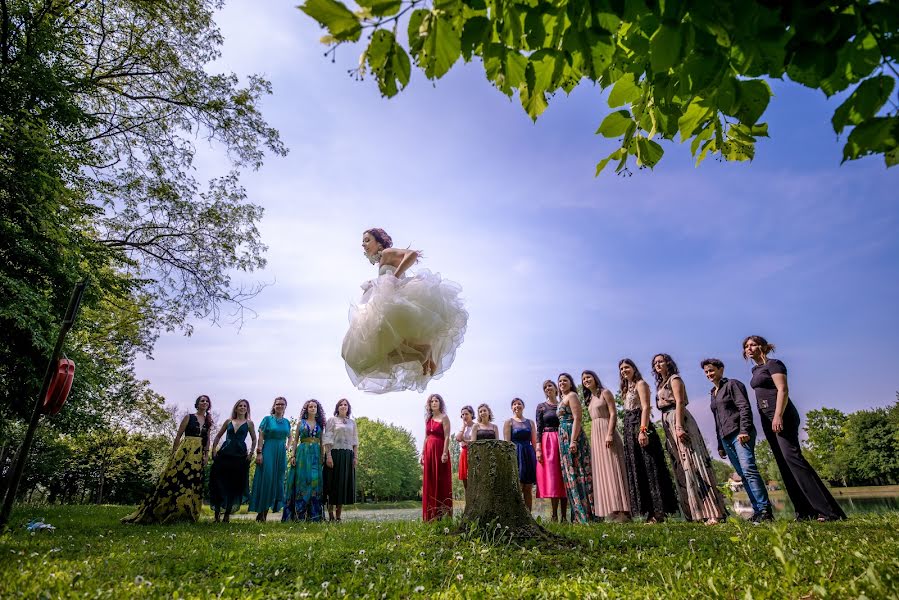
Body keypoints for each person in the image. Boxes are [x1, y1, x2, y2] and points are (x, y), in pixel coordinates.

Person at [341, 228, 469, 393]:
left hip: (392, 302)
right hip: (385, 303)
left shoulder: (387, 252)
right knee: (372, 354)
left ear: (379, 243)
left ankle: (422, 352)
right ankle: (421, 353)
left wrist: (394, 277)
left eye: (367, 240)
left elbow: (412, 254)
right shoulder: (383, 259)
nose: (363, 244)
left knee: (368, 351)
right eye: (363, 242)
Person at [744, 335, 846, 522]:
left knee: (794, 460)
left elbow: (782, 389)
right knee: (783, 464)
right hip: (767, 419)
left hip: (782, 416)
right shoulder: (755, 369)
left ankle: (828, 511)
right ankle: (804, 511)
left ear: (763, 347)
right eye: (746, 346)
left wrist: (778, 415)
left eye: (753, 345)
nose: (749, 348)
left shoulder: (774, 364)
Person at [652, 354, 728, 524]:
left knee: (693, 463)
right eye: (655, 363)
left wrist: (679, 426)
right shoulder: (660, 383)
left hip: (680, 420)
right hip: (667, 423)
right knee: (680, 466)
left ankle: (713, 512)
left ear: (668, 363)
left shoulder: (674, 378)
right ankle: (694, 513)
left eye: (660, 361)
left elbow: (679, 402)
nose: (657, 364)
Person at [702, 358, 773, 523]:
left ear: (721, 369)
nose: (709, 374)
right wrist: (720, 444)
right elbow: (717, 419)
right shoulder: (713, 393)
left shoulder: (733, 384)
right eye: (706, 372)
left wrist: (744, 430)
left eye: (711, 370)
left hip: (739, 434)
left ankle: (765, 511)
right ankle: (757, 511)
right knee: (742, 474)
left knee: (749, 470)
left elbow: (744, 407)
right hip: (725, 438)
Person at [122, 395, 212, 524]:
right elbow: (178, 435)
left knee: (192, 482)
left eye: (207, 401)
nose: (204, 403)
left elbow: (207, 439)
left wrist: (206, 454)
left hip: (198, 455)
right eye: (202, 401)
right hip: (185, 451)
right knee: (179, 479)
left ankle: (186, 513)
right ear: (197, 404)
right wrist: (174, 453)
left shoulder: (209, 420)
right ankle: (168, 510)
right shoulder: (189, 417)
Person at [618, 359, 678, 523]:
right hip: (628, 428)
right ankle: (647, 511)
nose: (624, 370)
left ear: (633, 368)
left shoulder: (641, 384)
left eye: (627, 367)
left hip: (640, 425)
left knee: (649, 468)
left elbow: (645, 407)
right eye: (622, 369)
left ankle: (658, 512)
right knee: (638, 469)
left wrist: (643, 431)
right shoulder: (625, 389)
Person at [582, 370, 631, 522]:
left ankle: (623, 511)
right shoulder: (589, 399)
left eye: (588, 377)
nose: (586, 380)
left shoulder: (605, 392)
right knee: (603, 472)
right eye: (583, 379)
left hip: (607, 432)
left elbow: (613, 414)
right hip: (596, 436)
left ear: (595, 378)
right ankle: (612, 510)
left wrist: (610, 433)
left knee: (614, 467)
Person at [209, 399, 257, 523]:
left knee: (233, 485)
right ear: (236, 408)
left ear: (247, 409)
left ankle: (226, 516)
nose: (242, 407)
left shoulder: (250, 423)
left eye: (244, 406)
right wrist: (214, 450)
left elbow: (254, 439)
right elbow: (218, 435)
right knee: (219, 483)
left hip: (240, 456)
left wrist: (251, 453)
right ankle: (216, 516)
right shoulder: (228, 421)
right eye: (240, 406)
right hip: (224, 454)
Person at [557, 373, 595, 523]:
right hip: (563, 437)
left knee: (579, 472)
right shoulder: (561, 399)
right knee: (570, 473)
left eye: (565, 380)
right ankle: (577, 514)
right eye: (560, 381)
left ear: (571, 383)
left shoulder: (572, 396)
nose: (562, 383)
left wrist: (573, 441)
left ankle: (586, 513)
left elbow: (578, 418)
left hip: (573, 436)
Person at [283, 399, 326, 522]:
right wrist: (293, 456)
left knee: (315, 482)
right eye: (310, 406)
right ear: (306, 409)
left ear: (317, 410)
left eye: (315, 407)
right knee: (302, 481)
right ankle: (298, 515)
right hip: (302, 454)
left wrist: (322, 457)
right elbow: (295, 440)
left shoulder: (320, 425)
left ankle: (314, 516)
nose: (313, 408)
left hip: (316, 455)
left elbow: (322, 442)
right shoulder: (300, 423)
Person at [249, 397, 290, 522]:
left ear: (285, 407)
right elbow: (261, 436)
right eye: (277, 404)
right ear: (274, 406)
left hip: (281, 453)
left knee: (277, 481)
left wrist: (287, 446)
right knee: (266, 479)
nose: (280, 406)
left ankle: (265, 514)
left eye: (282, 404)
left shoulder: (287, 422)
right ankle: (261, 512)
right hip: (268, 450)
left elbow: (290, 436)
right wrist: (259, 452)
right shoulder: (267, 419)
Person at [536, 380, 568, 522]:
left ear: (556, 389)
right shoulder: (541, 407)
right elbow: (539, 428)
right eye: (545, 387)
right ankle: (554, 515)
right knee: (553, 478)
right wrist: (538, 448)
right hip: (547, 441)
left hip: (562, 439)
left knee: (564, 477)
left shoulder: (563, 403)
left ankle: (564, 517)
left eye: (550, 386)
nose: (547, 388)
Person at [323, 398, 358, 522]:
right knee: (332, 484)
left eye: (346, 405)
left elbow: (355, 441)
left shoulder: (352, 423)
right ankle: (331, 515)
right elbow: (327, 438)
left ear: (348, 408)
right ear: (337, 407)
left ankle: (338, 517)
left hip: (347, 455)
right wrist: (328, 456)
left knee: (342, 485)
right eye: (341, 405)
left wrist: (355, 457)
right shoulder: (332, 420)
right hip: (334, 454)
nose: (343, 406)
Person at [421, 393, 452, 521]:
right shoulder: (427, 419)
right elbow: (426, 437)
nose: (434, 403)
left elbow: (447, 436)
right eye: (432, 401)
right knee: (430, 482)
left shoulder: (445, 417)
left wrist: (445, 453)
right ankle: (430, 516)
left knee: (441, 481)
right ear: (429, 404)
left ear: (440, 403)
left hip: (440, 451)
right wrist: (422, 453)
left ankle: (443, 516)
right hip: (428, 452)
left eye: (436, 401)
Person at [504, 398, 537, 512]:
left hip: (528, 454)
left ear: (523, 406)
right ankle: (516, 515)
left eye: (519, 404)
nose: (517, 406)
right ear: (512, 408)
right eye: (514, 404)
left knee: (528, 487)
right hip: (515, 454)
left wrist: (537, 455)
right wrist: (509, 459)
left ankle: (529, 516)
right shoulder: (509, 422)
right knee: (518, 486)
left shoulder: (530, 422)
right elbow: (507, 443)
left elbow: (534, 441)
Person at [455, 405, 475, 492]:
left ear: (471, 414)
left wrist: (465, 440)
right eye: (462, 415)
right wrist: (463, 427)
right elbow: (458, 439)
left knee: (474, 478)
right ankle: (468, 503)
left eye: (466, 414)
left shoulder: (476, 426)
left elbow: (474, 441)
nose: (464, 416)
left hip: (473, 452)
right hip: (464, 453)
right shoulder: (462, 428)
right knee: (465, 481)